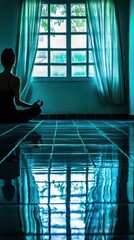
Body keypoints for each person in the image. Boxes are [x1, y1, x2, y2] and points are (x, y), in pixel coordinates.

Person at [0, 48, 43, 123]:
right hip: (12, 115)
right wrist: (32, 106)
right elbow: (18, 102)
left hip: (1, 116)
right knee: (38, 110)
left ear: (2, 62)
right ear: (14, 62)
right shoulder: (16, 79)